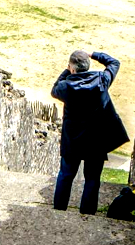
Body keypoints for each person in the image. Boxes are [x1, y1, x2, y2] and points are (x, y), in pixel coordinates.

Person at [50, 49, 128, 214]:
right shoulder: (101, 80)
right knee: (92, 179)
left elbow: (54, 89)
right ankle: (87, 213)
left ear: (72, 69)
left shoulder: (65, 87)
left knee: (66, 175)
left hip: (73, 140)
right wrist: (94, 55)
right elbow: (114, 63)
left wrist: (67, 70)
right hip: (96, 139)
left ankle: (59, 210)